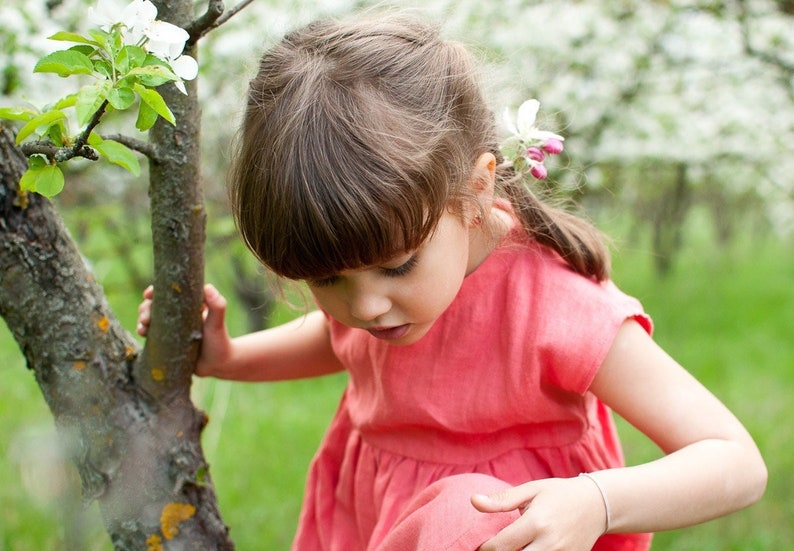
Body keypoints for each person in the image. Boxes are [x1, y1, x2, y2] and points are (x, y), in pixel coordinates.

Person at [136, 13, 766, 551]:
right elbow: (341, 342)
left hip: (499, 531)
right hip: (377, 517)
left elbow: (735, 461)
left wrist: (595, 502)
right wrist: (228, 359)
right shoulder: (378, 296)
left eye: (396, 266)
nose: (369, 307)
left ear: (476, 186)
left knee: (463, 514)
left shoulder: (555, 307)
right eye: (328, 280)